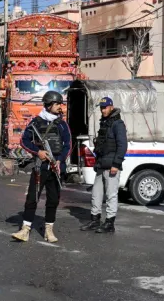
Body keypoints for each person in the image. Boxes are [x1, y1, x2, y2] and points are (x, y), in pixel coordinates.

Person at [11, 90, 72, 243]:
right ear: (49, 104)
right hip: (41, 166)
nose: (60, 107)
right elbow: (24, 141)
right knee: (32, 198)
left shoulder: (62, 124)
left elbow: (68, 145)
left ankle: (48, 230)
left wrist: (59, 160)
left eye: (60, 104)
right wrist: (38, 152)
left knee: (53, 200)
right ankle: (25, 229)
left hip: (56, 167)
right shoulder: (36, 122)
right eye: (57, 104)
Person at [82, 97, 127, 234]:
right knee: (96, 194)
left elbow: (122, 145)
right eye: (101, 108)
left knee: (111, 195)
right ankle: (95, 220)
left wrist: (116, 164)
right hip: (101, 165)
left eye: (105, 107)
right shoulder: (105, 123)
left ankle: (109, 223)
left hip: (112, 166)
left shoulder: (118, 124)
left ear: (111, 107)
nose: (103, 110)